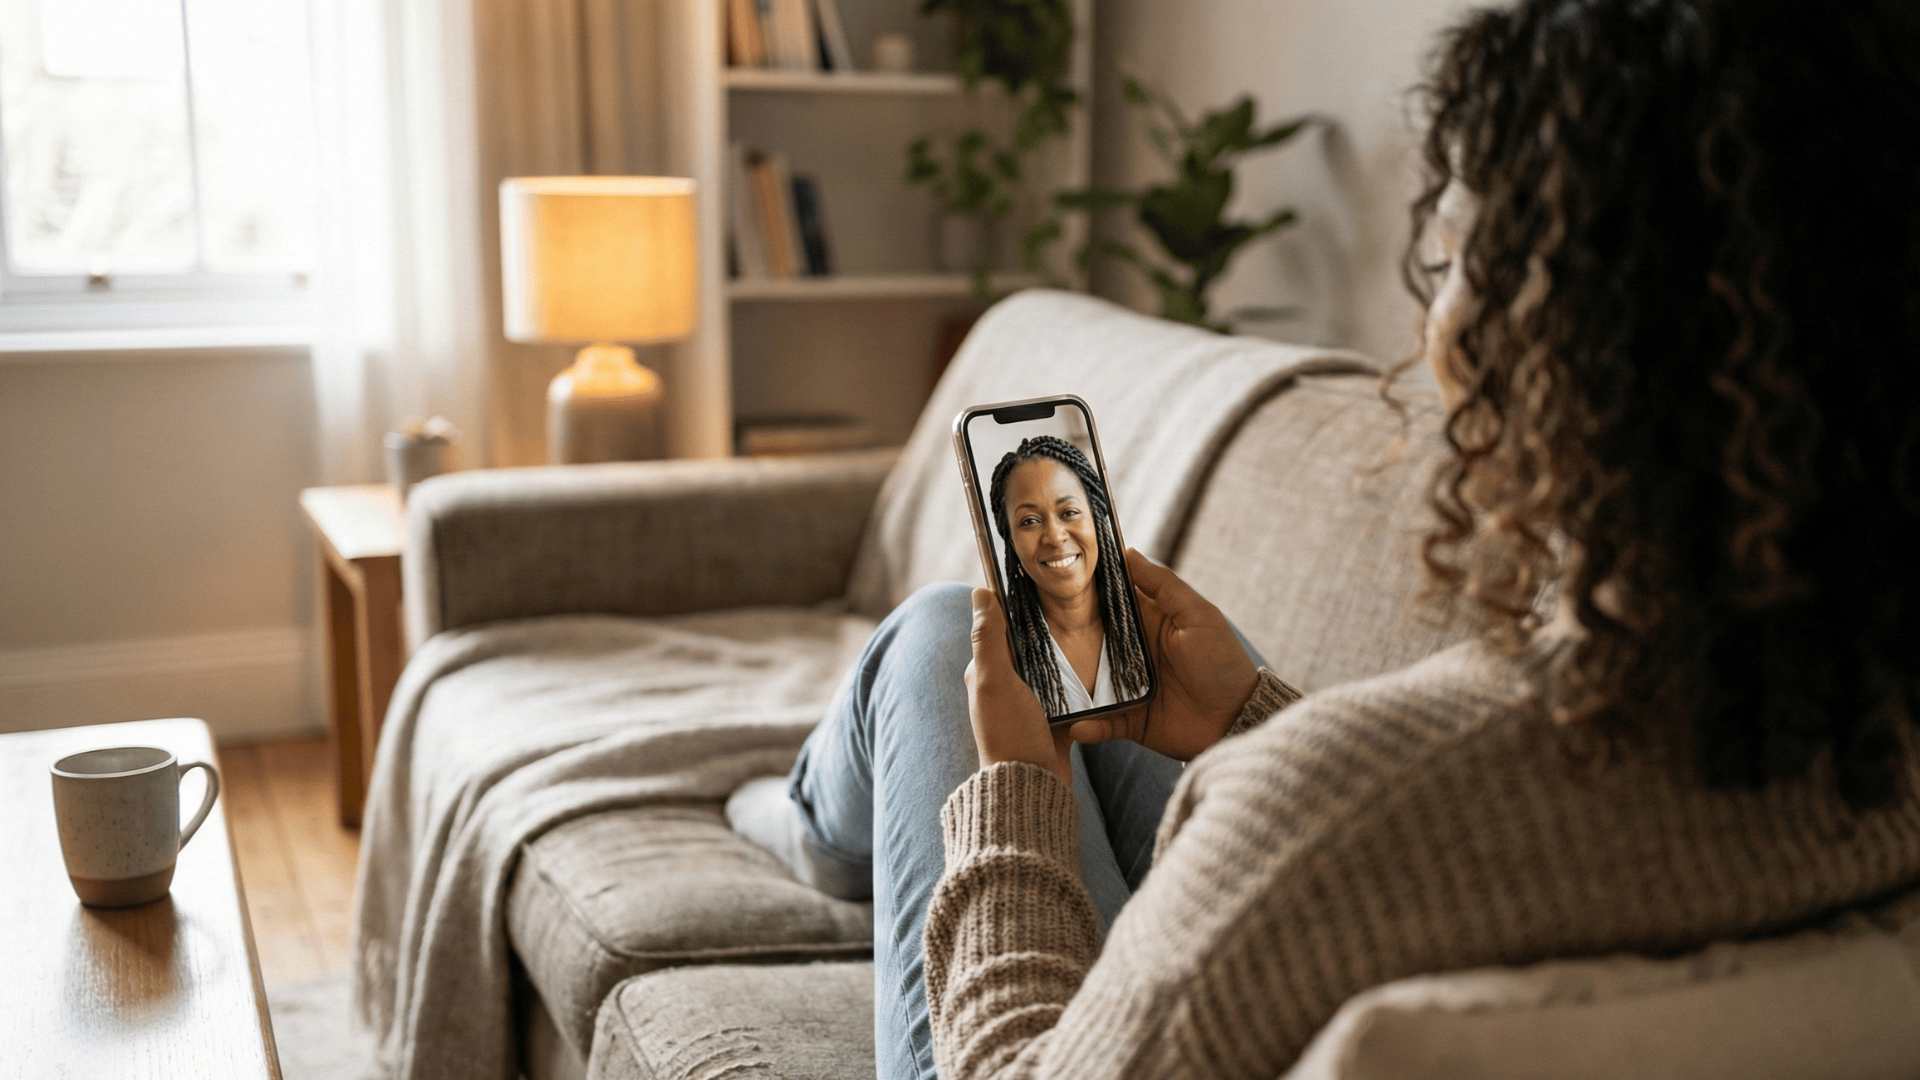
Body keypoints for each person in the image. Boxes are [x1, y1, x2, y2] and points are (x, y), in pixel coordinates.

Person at [728, 0, 1920, 1076]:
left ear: (1560, 346)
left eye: (1451, 260)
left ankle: (809, 828)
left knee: (946, 638)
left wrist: (1017, 803)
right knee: (977, 642)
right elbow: (1470, 861)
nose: (1432, 317)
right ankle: (813, 820)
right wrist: (1253, 720)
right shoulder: (1866, 725)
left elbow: (1379, 841)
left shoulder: (1335, 807)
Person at [986, 436, 1150, 718]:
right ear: (1011, 542)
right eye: (1029, 521)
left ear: (1097, 520)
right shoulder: (1002, 658)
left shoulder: (1152, 617)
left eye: (1069, 512)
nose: (1054, 536)